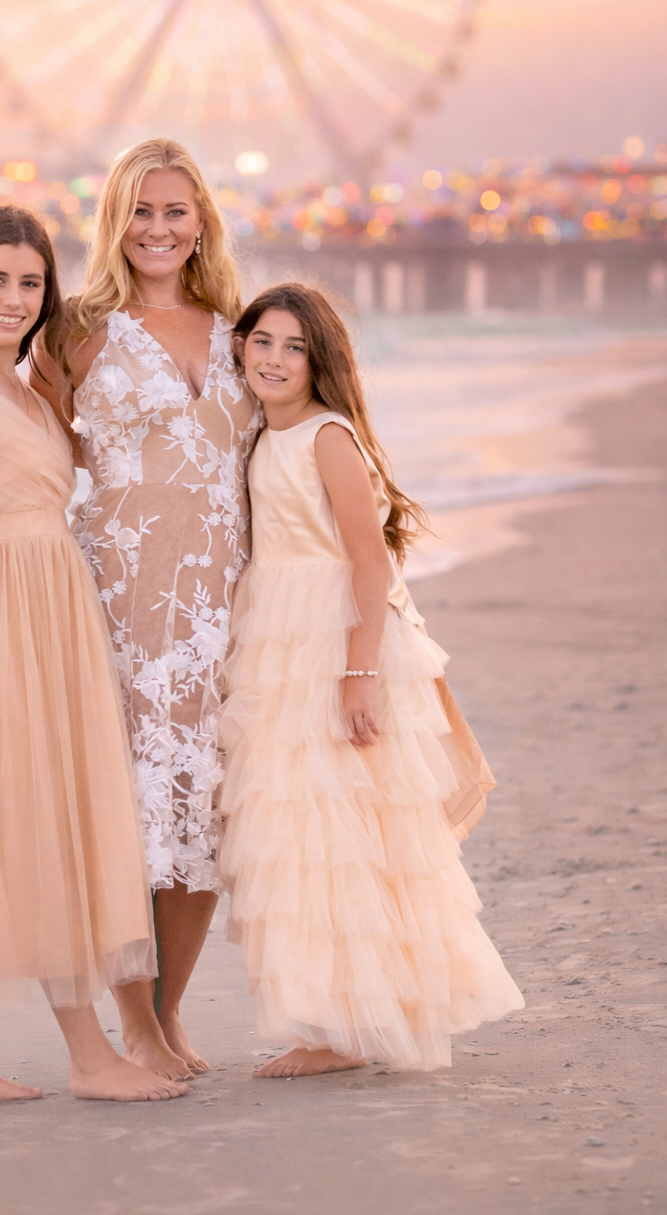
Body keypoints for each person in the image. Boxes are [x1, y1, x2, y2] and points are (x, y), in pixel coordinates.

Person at [0, 205, 188, 1104]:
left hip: (48, 609)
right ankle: (90, 1055)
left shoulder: (25, 388)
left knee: (2, 816)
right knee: (29, 818)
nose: (14, 299)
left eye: (29, 282)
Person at [219, 283, 524, 1077]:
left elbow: (369, 559)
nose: (276, 359)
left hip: (333, 636)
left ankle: (346, 1027)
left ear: (320, 362)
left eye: (295, 347)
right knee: (296, 825)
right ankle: (336, 1017)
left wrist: (356, 674)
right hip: (276, 634)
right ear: (241, 346)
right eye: (263, 341)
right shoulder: (258, 433)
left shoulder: (327, 437)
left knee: (342, 826)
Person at [33, 138, 261, 1077]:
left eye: (174, 210)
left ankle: (167, 1018)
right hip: (119, 598)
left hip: (225, 597)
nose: (157, 229)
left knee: (205, 812)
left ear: (201, 218)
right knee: (131, 809)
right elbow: (32, 457)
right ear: (113, 222)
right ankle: (134, 1025)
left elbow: (279, 459)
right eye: (140, 211)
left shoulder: (243, 328)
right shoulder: (78, 329)